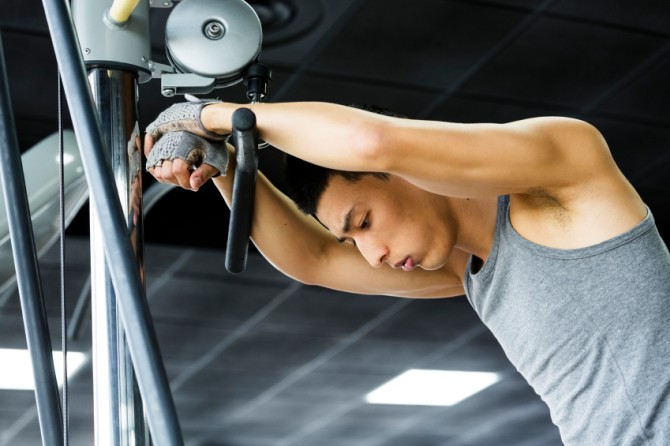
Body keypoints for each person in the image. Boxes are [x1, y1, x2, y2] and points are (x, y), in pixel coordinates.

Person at [144, 101, 670, 445]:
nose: (371, 255)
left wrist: (208, 115)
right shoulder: (469, 271)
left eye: (365, 222)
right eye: (355, 239)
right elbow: (316, 261)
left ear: (405, 174)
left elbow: (373, 143)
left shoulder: (568, 170)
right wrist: (228, 164)